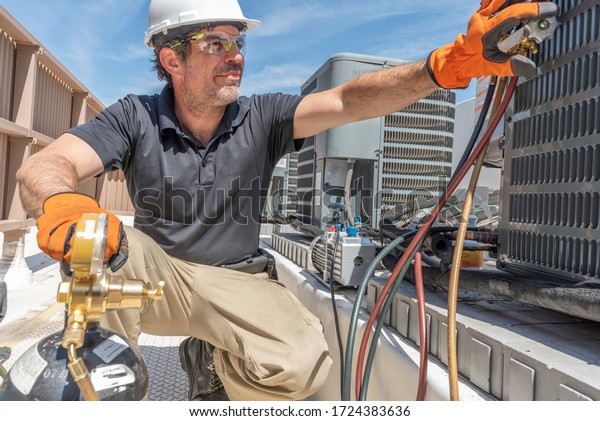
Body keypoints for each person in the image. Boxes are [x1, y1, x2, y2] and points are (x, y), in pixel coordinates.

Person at [16, 0, 557, 401]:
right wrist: (62, 202)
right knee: (95, 243)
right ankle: (104, 388)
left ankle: (215, 371)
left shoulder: (265, 115)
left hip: (239, 280)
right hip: (159, 279)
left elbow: (347, 98)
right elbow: (46, 165)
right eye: (216, 44)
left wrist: (444, 68)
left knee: (302, 364)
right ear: (172, 60)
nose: (235, 57)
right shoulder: (133, 117)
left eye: (238, 44)